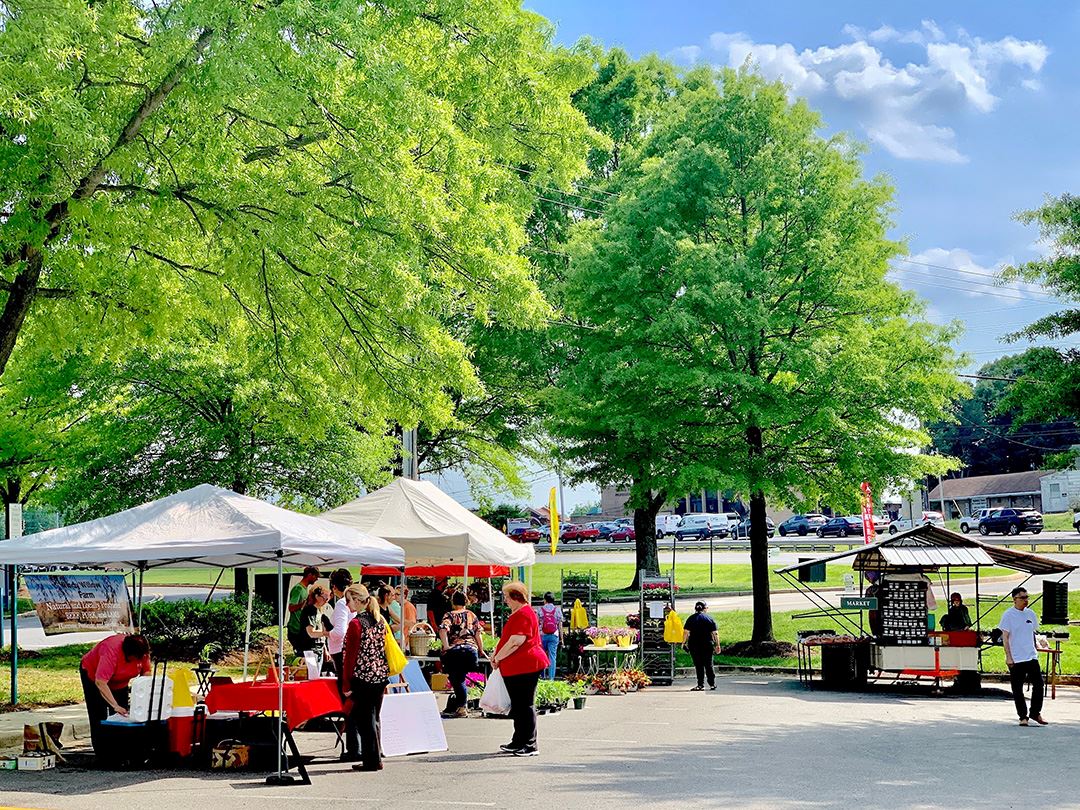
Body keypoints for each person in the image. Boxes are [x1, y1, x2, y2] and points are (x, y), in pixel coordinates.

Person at [490, 580, 548, 757]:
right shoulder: (522, 612)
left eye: (507, 597)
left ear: (516, 597)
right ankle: (519, 741)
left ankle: (529, 744)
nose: (505, 600)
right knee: (519, 705)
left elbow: (517, 641)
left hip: (525, 665)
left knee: (524, 705)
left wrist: (498, 657)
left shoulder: (523, 614)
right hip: (519, 666)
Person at [342, 584, 390, 771]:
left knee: (364, 720)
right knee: (373, 718)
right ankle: (375, 758)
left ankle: (371, 761)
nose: (347, 604)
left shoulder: (356, 624)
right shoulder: (379, 620)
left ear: (356, 600)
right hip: (379, 675)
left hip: (363, 677)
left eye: (349, 600)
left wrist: (346, 683)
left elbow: (350, 657)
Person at [79, 633, 151, 758]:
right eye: (136, 659)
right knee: (98, 714)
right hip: (93, 676)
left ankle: (122, 751)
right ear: (128, 655)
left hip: (120, 682)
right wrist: (114, 705)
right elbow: (100, 682)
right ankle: (102, 754)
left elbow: (146, 672)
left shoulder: (142, 652)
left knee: (123, 716)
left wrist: (143, 693)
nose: (140, 661)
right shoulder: (111, 651)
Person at [998, 586, 1047, 726]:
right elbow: (1005, 637)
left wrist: (1039, 644)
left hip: (1031, 656)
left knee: (1039, 685)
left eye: (1027, 597)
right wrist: (1008, 656)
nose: (1026, 600)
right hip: (1016, 657)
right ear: (1015, 599)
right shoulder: (1008, 615)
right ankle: (1022, 716)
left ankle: (1035, 712)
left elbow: (1032, 633)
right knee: (1017, 689)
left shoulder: (1030, 614)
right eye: (1023, 598)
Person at [326, 568, 359, 761]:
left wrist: (325, 632)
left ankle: (353, 747)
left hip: (341, 653)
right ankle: (356, 746)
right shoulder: (353, 602)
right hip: (351, 654)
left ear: (334, 586)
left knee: (348, 700)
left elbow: (340, 631)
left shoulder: (341, 604)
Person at [439, 591, 485, 718]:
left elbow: (443, 629)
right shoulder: (471, 615)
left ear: (453, 602)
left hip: (456, 650)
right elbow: (478, 634)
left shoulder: (449, 615)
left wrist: (446, 646)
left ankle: (462, 707)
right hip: (471, 650)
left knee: (457, 679)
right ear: (466, 602)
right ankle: (461, 705)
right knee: (460, 678)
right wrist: (481, 649)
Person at [682, 601, 720, 691]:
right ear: (704, 608)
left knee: (698, 665)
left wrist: (683, 643)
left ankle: (700, 685)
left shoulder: (691, 618)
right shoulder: (709, 618)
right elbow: (715, 633)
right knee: (709, 664)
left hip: (694, 645)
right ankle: (712, 684)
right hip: (707, 644)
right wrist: (717, 645)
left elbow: (686, 632)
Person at [287, 566, 320, 656]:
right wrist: (303, 604)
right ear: (309, 575)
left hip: (302, 630)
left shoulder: (305, 589)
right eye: (315, 576)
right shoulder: (298, 589)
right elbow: (291, 608)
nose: (317, 579)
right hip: (296, 630)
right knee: (302, 656)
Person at [535, 592, 563, 680]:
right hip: (554, 635)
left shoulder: (540, 609)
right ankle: (551, 678)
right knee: (552, 657)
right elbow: (560, 625)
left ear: (545, 600)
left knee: (542, 655)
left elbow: (536, 624)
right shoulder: (557, 609)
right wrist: (562, 639)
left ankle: (543, 676)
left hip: (542, 635)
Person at [298, 585, 333, 656]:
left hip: (319, 649)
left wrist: (324, 649)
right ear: (317, 596)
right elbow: (311, 633)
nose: (326, 602)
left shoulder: (319, 610)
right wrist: (327, 633)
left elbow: (320, 631)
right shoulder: (309, 611)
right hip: (309, 650)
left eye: (327, 599)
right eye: (324, 598)